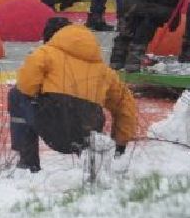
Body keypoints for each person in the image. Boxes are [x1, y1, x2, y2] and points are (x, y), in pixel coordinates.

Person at [8, 22, 140, 172]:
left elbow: (26, 86)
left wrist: (43, 89)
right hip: (87, 131)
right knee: (93, 110)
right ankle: (94, 164)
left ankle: (27, 162)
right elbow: (125, 104)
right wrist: (120, 143)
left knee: (16, 95)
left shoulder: (45, 53)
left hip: (52, 124)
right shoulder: (104, 71)